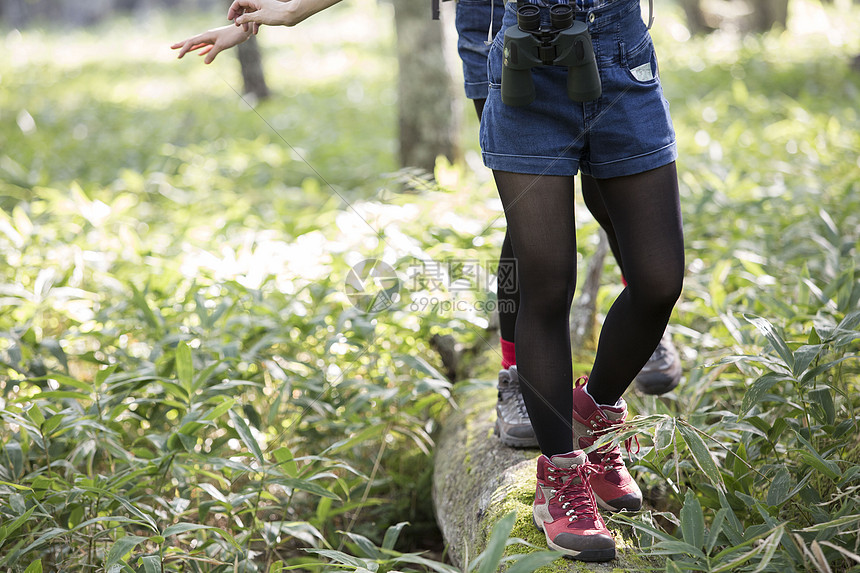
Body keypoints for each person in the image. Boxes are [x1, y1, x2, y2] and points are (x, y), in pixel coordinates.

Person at [477, 0, 685, 560]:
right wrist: (293, 7)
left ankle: (595, 408)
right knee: (546, 287)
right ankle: (561, 480)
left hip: (621, 57)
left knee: (660, 281)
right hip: (525, 65)